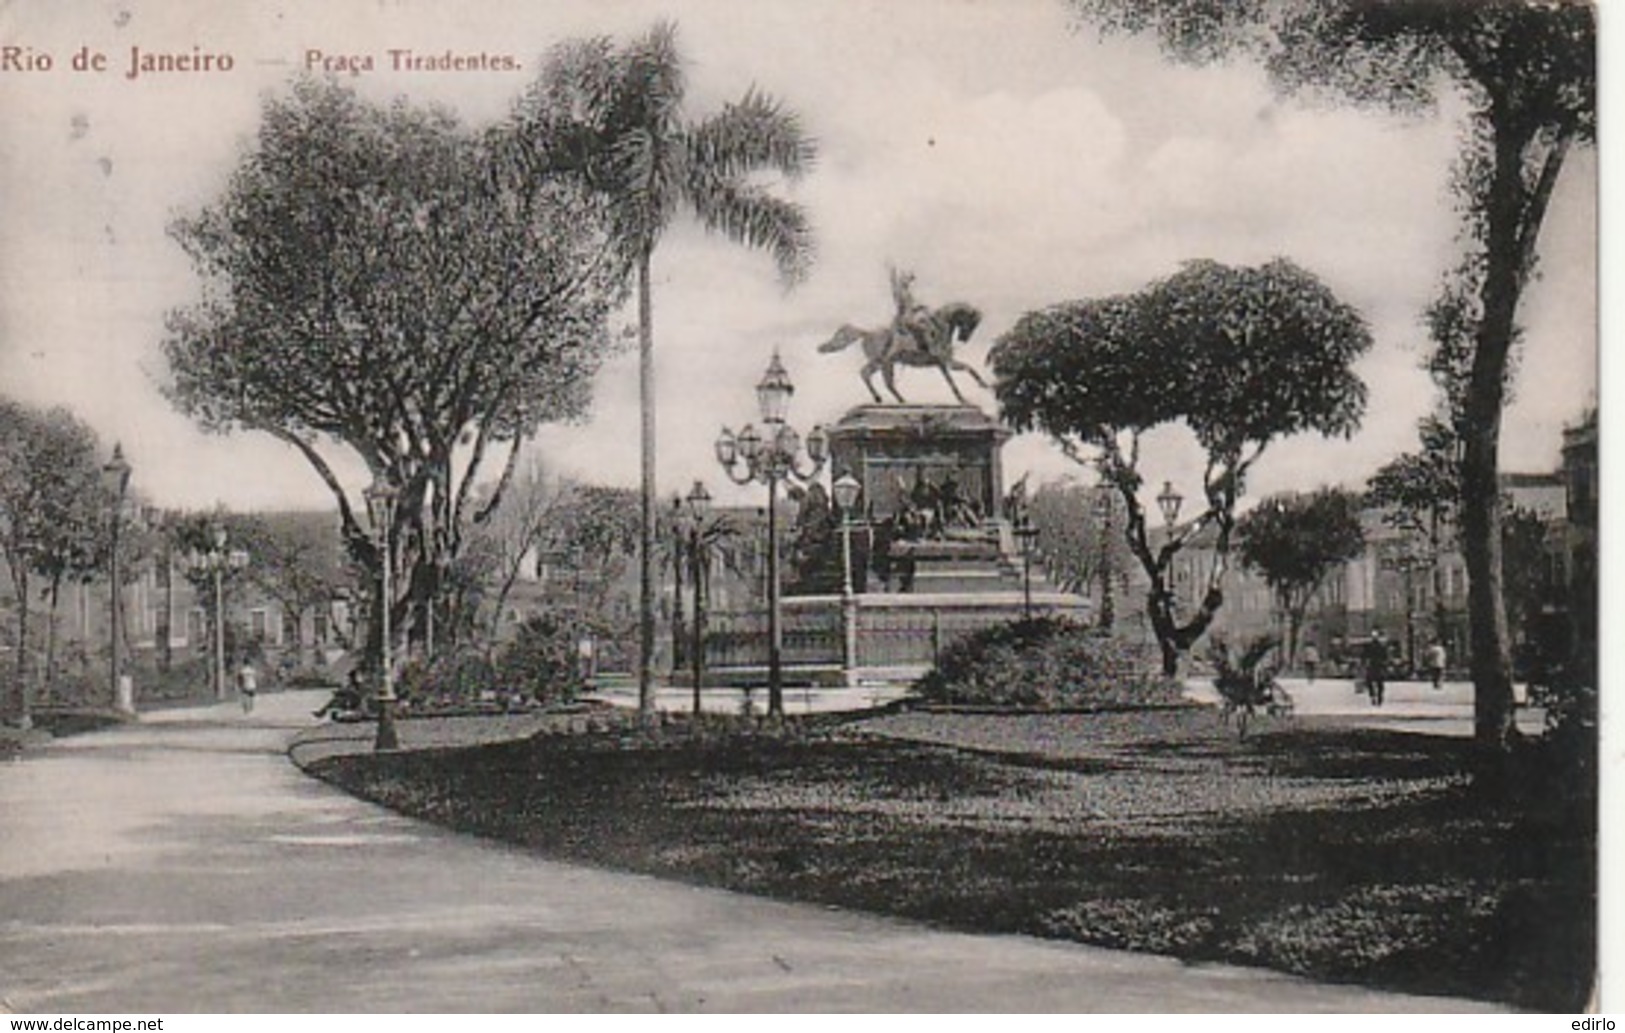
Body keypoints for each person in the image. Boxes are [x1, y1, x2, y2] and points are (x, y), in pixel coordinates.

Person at [1361, 631, 1388, 707]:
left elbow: (1364, 656)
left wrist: (1364, 663)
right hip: (1378, 665)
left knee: (1369, 681)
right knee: (1380, 683)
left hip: (1372, 665)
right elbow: (1385, 656)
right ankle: (1379, 697)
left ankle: (1373, 696)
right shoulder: (1381, 647)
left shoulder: (1369, 647)